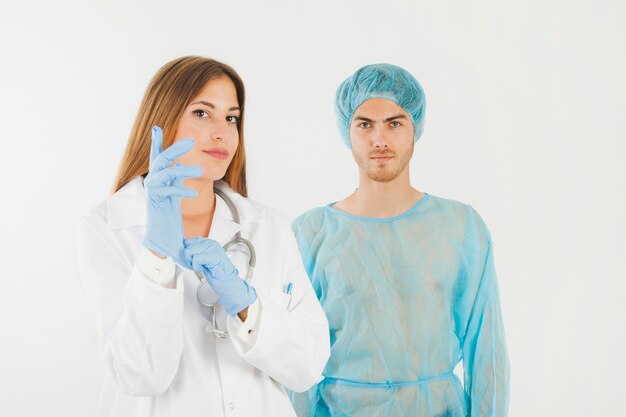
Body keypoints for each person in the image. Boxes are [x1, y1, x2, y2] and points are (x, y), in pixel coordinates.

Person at [77, 56, 330, 417]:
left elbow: (307, 368)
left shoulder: (268, 226)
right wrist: (155, 259)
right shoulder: (107, 227)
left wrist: (248, 307)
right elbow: (142, 376)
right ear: (161, 120)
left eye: (231, 117)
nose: (222, 132)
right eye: (202, 113)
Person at [289, 63, 509, 416]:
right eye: (365, 124)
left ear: (415, 128)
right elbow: (294, 361)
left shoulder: (460, 227)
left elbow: (487, 351)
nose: (380, 139)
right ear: (347, 130)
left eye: (394, 123)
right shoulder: (310, 233)